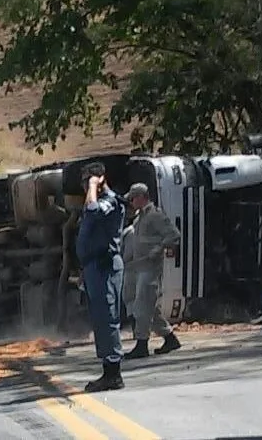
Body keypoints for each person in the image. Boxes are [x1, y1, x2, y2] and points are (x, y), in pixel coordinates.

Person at [76, 161, 126, 392]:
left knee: (108, 316)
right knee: (100, 317)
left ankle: (113, 374)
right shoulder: (94, 201)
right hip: (93, 267)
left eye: (89, 180)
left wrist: (94, 186)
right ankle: (108, 369)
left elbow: (93, 211)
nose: (86, 186)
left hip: (105, 265)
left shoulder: (109, 201)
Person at [123, 182, 183, 359]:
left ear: (142, 197)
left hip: (150, 268)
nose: (132, 202)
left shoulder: (155, 216)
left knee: (143, 305)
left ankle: (142, 344)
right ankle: (169, 338)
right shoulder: (139, 217)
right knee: (146, 305)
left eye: (134, 198)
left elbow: (174, 235)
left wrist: (158, 250)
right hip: (139, 267)